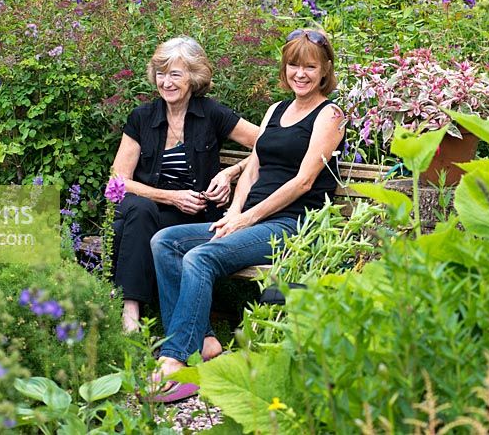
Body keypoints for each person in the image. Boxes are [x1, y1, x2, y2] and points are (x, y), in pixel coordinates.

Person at [148, 28, 345, 402]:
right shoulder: (276, 110)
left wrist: (247, 218)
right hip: (252, 218)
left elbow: (304, 182)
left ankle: (175, 360)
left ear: (324, 71)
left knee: (201, 256)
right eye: (292, 65)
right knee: (165, 242)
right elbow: (253, 168)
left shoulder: (329, 115)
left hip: (293, 224)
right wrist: (234, 211)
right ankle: (204, 341)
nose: (299, 73)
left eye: (309, 67)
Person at [109, 36, 258, 335]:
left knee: (129, 228)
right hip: (151, 207)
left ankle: (148, 318)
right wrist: (170, 196)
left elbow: (268, 144)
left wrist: (231, 173)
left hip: (192, 215)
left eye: (175, 74)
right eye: (161, 74)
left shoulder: (211, 113)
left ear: (193, 76)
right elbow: (117, 181)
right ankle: (132, 310)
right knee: (139, 209)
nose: (166, 82)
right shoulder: (141, 117)